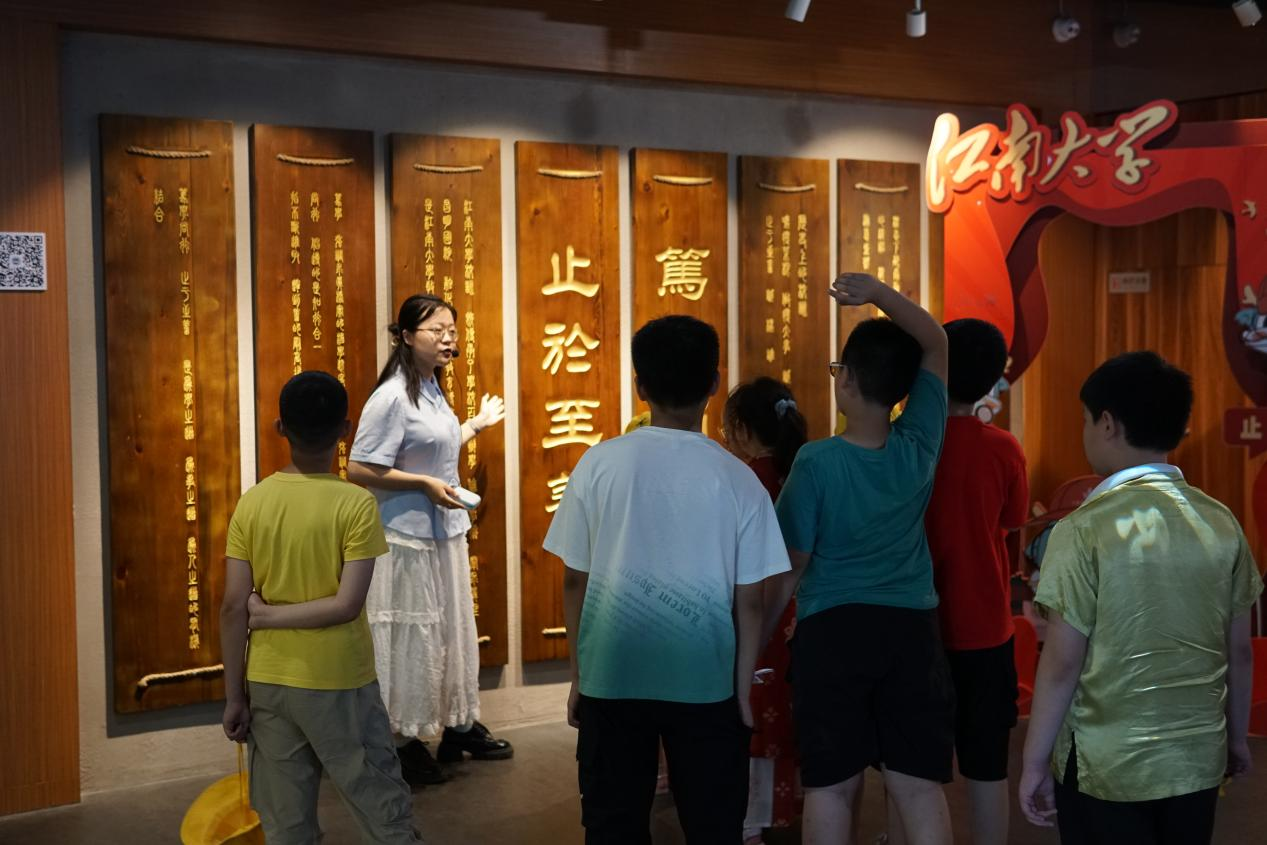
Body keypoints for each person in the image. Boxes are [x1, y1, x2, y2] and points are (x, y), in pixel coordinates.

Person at [545, 315, 792, 843]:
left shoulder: (598, 464)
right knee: (713, 824)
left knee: (613, 824)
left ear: (640, 386)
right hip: (707, 682)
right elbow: (750, 602)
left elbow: (574, 581)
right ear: (713, 384)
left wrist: (579, 675)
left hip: (612, 675)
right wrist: (742, 688)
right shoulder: (739, 480)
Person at [1019, 351, 1263, 844]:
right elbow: (1239, 650)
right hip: (1197, 759)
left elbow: (1063, 663)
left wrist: (1033, 761)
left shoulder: (1081, 529)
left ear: (1107, 423)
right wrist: (1236, 739)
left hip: (1103, 763)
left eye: (1085, 420)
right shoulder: (1221, 522)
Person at [767, 272, 953, 845]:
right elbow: (936, 341)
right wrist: (878, 294)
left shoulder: (815, 463)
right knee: (918, 786)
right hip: (912, 629)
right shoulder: (919, 444)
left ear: (845, 379)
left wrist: (756, 637)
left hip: (832, 631)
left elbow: (792, 566)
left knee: (832, 787)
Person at [219, 371, 421, 844]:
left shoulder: (253, 502)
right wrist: (266, 616)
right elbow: (347, 605)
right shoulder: (356, 504)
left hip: (268, 681)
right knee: (382, 811)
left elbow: (232, 606)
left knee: (286, 824)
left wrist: (234, 695)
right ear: (345, 430)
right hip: (339, 681)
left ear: (280, 428)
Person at [347, 293, 509, 786]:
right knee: (411, 637)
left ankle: (457, 725)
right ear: (405, 336)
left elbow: (433, 447)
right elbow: (359, 468)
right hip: (405, 537)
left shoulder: (431, 386)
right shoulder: (392, 395)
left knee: (448, 633)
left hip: (443, 532)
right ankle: (401, 742)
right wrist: (422, 484)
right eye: (436, 331)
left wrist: (474, 425)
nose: (447, 340)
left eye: (452, 332)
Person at [923, 318, 1028, 845]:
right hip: (987, 626)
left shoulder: (909, 444)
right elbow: (1011, 522)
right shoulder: (1004, 448)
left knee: (916, 768)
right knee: (988, 765)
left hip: (919, 624)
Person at [722, 377, 809, 843]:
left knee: (752, 705)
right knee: (784, 706)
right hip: (798, 608)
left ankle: (751, 820)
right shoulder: (799, 471)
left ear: (741, 428)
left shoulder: (745, 479)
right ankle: (785, 807)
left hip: (755, 605)